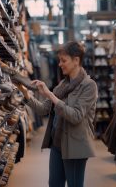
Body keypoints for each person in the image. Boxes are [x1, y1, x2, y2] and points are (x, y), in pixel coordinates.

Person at [16, 41, 98, 187]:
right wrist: (25, 93)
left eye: (63, 60)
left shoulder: (89, 86)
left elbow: (76, 116)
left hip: (75, 146)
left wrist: (50, 95)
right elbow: (43, 109)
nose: (60, 64)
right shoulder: (62, 85)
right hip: (57, 143)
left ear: (76, 60)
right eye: (59, 60)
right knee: (54, 184)